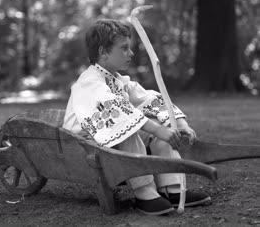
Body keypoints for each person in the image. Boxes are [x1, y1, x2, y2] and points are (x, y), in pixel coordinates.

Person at [63, 19, 211, 215]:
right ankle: (145, 192)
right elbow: (117, 112)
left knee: (158, 127)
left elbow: (149, 98)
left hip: (106, 142)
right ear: (103, 52)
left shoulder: (117, 80)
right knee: (129, 131)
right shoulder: (90, 83)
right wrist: (158, 130)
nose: (130, 53)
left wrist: (178, 123)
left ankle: (171, 188)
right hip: (83, 145)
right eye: (124, 48)